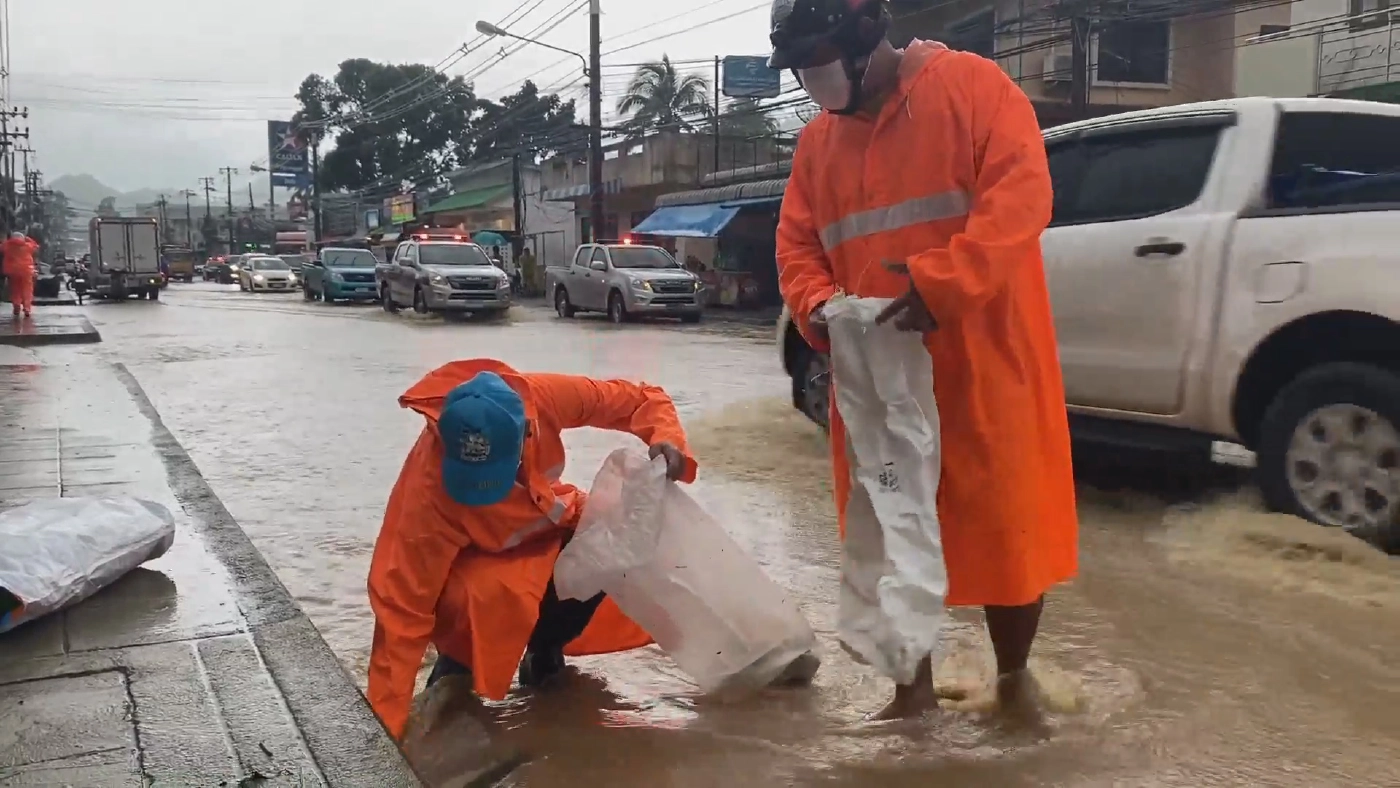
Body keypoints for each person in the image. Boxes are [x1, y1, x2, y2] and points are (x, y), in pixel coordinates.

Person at [769, 0, 1078, 720]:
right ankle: (911, 694)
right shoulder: (818, 145)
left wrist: (945, 283)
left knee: (1006, 527)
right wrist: (816, 305)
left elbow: (1020, 195)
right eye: (804, 69)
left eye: (820, 64)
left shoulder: (970, 88)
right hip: (875, 377)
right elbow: (796, 244)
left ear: (862, 40)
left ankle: (1013, 682)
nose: (814, 82)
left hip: (981, 359)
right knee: (891, 521)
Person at [366, 359, 698, 740]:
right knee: (481, 595)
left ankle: (544, 651)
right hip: (475, 571)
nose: (479, 493)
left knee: (611, 542)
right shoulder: (426, 496)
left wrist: (666, 438)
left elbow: (640, 399)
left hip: (543, 530)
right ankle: (456, 668)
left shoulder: (542, 398)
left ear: (527, 431)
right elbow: (401, 611)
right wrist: (381, 738)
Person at [2, 231, 39, 318]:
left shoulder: (7, 246)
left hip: (12, 271)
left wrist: (8, 240)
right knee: (27, 290)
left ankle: (16, 305)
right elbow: (35, 245)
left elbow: (2, 247)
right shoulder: (27, 246)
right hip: (26, 271)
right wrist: (27, 238)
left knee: (15, 289)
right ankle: (27, 308)